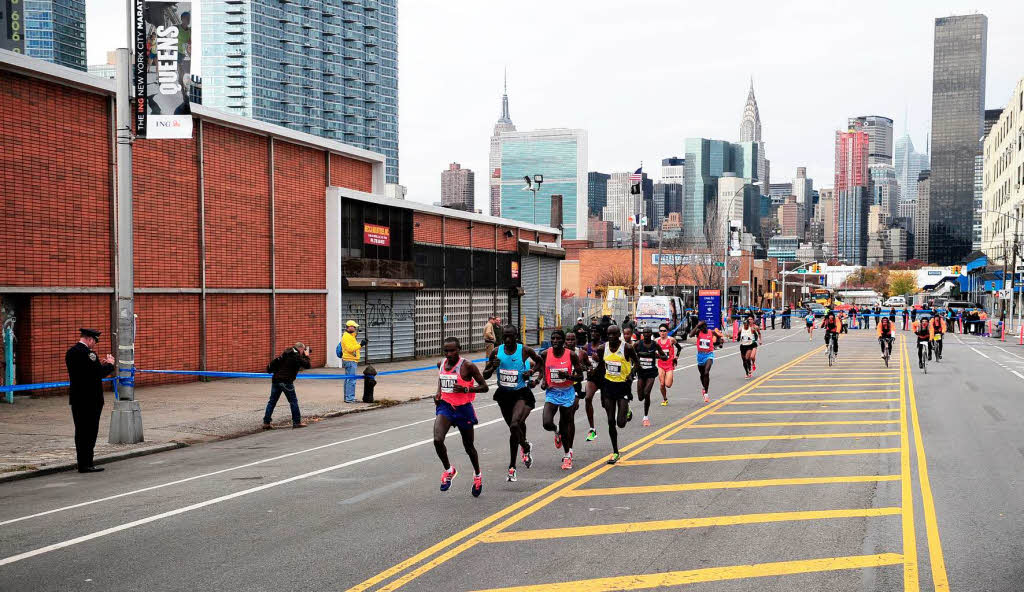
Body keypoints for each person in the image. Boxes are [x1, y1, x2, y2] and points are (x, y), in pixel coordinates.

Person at [482, 325, 541, 482]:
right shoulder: (496, 352)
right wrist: (492, 367)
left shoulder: (524, 350)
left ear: (516, 336)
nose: (508, 340)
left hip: (521, 394)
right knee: (514, 428)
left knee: (515, 425)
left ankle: (512, 467)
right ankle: (525, 446)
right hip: (504, 395)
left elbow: (540, 362)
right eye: (505, 337)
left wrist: (532, 372)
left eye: (511, 337)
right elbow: (485, 376)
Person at [434, 337, 489, 496]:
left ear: (459, 349)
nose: (449, 353)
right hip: (445, 407)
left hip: (463, 409)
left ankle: (477, 474)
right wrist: (438, 392)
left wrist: (466, 390)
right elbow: (441, 378)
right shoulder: (441, 364)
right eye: (446, 351)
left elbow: (484, 387)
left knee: (468, 446)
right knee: (438, 439)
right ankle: (449, 470)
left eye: (452, 350)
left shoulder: (468, 366)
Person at [65, 328, 115, 473]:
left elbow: (86, 372)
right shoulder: (88, 354)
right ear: (90, 339)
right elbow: (97, 374)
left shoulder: (71, 352)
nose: (94, 344)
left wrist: (101, 365)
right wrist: (110, 365)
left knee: (80, 431)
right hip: (91, 399)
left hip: (77, 398)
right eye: (94, 341)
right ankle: (87, 463)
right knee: (90, 432)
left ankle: (82, 463)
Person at [593, 325, 640, 464]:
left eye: (614, 335)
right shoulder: (603, 348)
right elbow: (602, 366)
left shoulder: (627, 348)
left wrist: (631, 374)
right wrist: (593, 374)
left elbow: (637, 363)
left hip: (623, 386)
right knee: (610, 421)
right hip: (608, 386)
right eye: (609, 335)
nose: (611, 337)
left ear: (619, 334)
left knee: (621, 423)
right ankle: (615, 452)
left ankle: (627, 410)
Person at [538, 330, 585, 470]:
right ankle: (556, 431)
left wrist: (568, 376)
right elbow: (542, 368)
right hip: (552, 393)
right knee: (547, 423)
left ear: (563, 341)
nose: (555, 341)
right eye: (553, 338)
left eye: (558, 338)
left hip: (567, 394)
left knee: (566, 426)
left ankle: (567, 455)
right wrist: (544, 380)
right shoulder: (546, 353)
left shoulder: (571, 355)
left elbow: (580, 377)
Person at [264, 342, 312, 429]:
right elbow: (307, 365)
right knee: (293, 401)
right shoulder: (296, 356)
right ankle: (297, 422)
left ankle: (266, 423)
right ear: (301, 349)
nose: (304, 351)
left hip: (276, 380)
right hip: (286, 381)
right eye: (303, 350)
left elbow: (274, 364)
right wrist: (307, 355)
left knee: (272, 402)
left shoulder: (286, 353)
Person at [633, 327, 668, 426]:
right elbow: (630, 353)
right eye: (645, 333)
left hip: (651, 373)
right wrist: (636, 361)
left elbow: (664, 357)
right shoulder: (637, 344)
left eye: (648, 332)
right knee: (640, 397)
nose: (647, 334)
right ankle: (644, 410)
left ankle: (645, 417)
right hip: (641, 372)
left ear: (651, 334)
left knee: (647, 392)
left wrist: (656, 356)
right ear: (642, 334)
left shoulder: (655, 344)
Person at [689, 321, 723, 404]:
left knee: (706, 372)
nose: (701, 329)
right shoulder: (698, 332)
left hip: (709, 355)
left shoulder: (711, 332)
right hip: (700, 355)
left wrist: (719, 343)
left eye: (702, 327)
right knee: (702, 375)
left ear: (706, 326)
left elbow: (719, 337)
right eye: (700, 327)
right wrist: (697, 326)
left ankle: (706, 393)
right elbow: (690, 335)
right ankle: (704, 388)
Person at [582, 327, 604, 442]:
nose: (593, 334)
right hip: (592, 379)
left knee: (606, 404)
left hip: (605, 378)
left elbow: (610, 362)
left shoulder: (605, 346)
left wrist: (600, 360)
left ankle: (626, 406)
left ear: (600, 335)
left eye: (596, 332)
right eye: (592, 332)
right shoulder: (586, 347)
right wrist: (587, 368)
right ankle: (592, 429)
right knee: (587, 398)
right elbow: (584, 364)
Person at [338, 320, 365, 403]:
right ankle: (350, 398)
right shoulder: (347, 337)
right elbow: (350, 349)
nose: (355, 328)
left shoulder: (350, 335)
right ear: (349, 327)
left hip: (350, 359)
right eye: (354, 327)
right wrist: (360, 345)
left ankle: (348, 397)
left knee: (348, 379)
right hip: (350, 360)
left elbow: (352, 345)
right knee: (351, 380)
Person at [656, 323, 682, 406]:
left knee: (668, 385)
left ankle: (670, 378)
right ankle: (665, 399)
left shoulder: (671, 340)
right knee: (662, 384)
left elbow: (679, 347)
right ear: (659, 332)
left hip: (669, 365)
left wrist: (676, 357)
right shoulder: (656, 341)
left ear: (667, 332)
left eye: (664, 331)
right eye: (661, 331)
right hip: (661, 364)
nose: (662, 333)